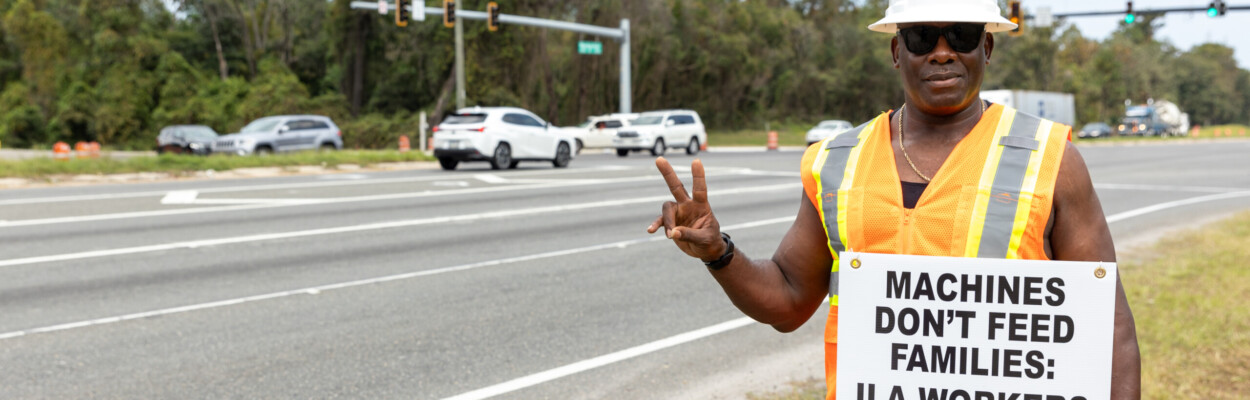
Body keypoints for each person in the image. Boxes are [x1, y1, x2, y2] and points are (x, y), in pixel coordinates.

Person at [645, 0, 1141, 398]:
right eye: (923, 37)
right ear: (897, 51)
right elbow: (790, 302)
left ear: (986, 47)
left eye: (962, 36)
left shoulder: (1051, 157)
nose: (942, 53)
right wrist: (718, 253)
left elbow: (1109, 326)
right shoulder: (836, 161)